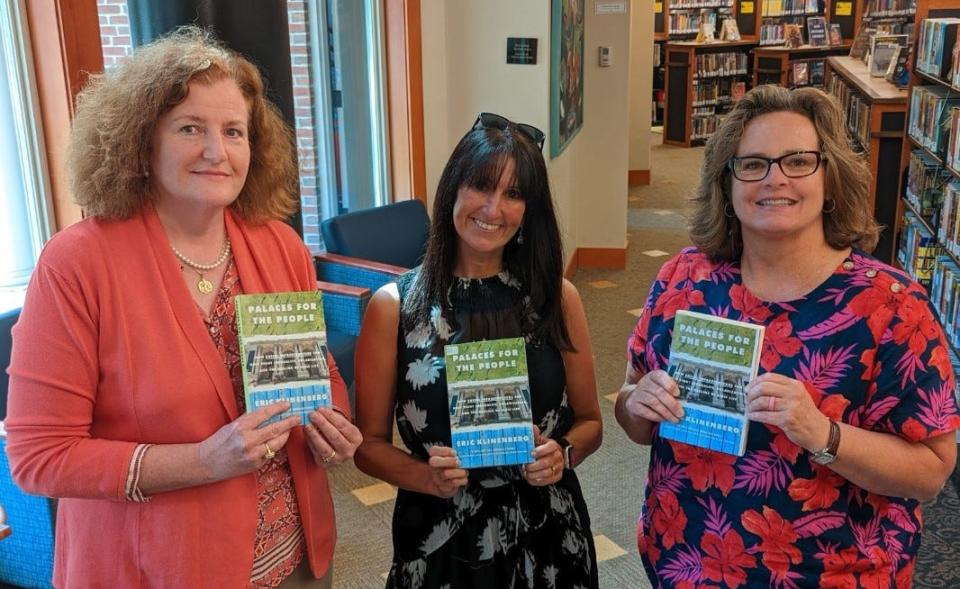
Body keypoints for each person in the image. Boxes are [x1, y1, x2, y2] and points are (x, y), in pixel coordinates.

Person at [5, 27, 362, 588]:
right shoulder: (77, 265)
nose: (217, 151)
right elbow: (40, 456)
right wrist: (203, 461)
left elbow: (322, 372)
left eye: (234, 131)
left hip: (295, 556)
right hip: (156, 568)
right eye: (190, 128)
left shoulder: (280, 246)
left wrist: (334, 420)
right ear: (142, 142)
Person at [616, 85, 960, 587]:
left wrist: (824, 434)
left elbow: (930, 471)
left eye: (797, 161)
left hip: (832, 572)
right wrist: (637, 403)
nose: (774, 179)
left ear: (829, 178)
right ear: (727, 185)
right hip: (683, 557)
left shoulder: (893, 307)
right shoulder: (684, 279)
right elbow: (631, 405)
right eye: (752, 164)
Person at [354, 113, 603, 588]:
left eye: (514, 194)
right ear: (453, 188)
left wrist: (563, 455)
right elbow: (368, 446)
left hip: (546, 527)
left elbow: (592, 421)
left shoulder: (557, 297)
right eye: (481, 186)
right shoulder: (395, 307)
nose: (493, 209)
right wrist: (426, 476)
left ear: (530, 210)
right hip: (441, 531)